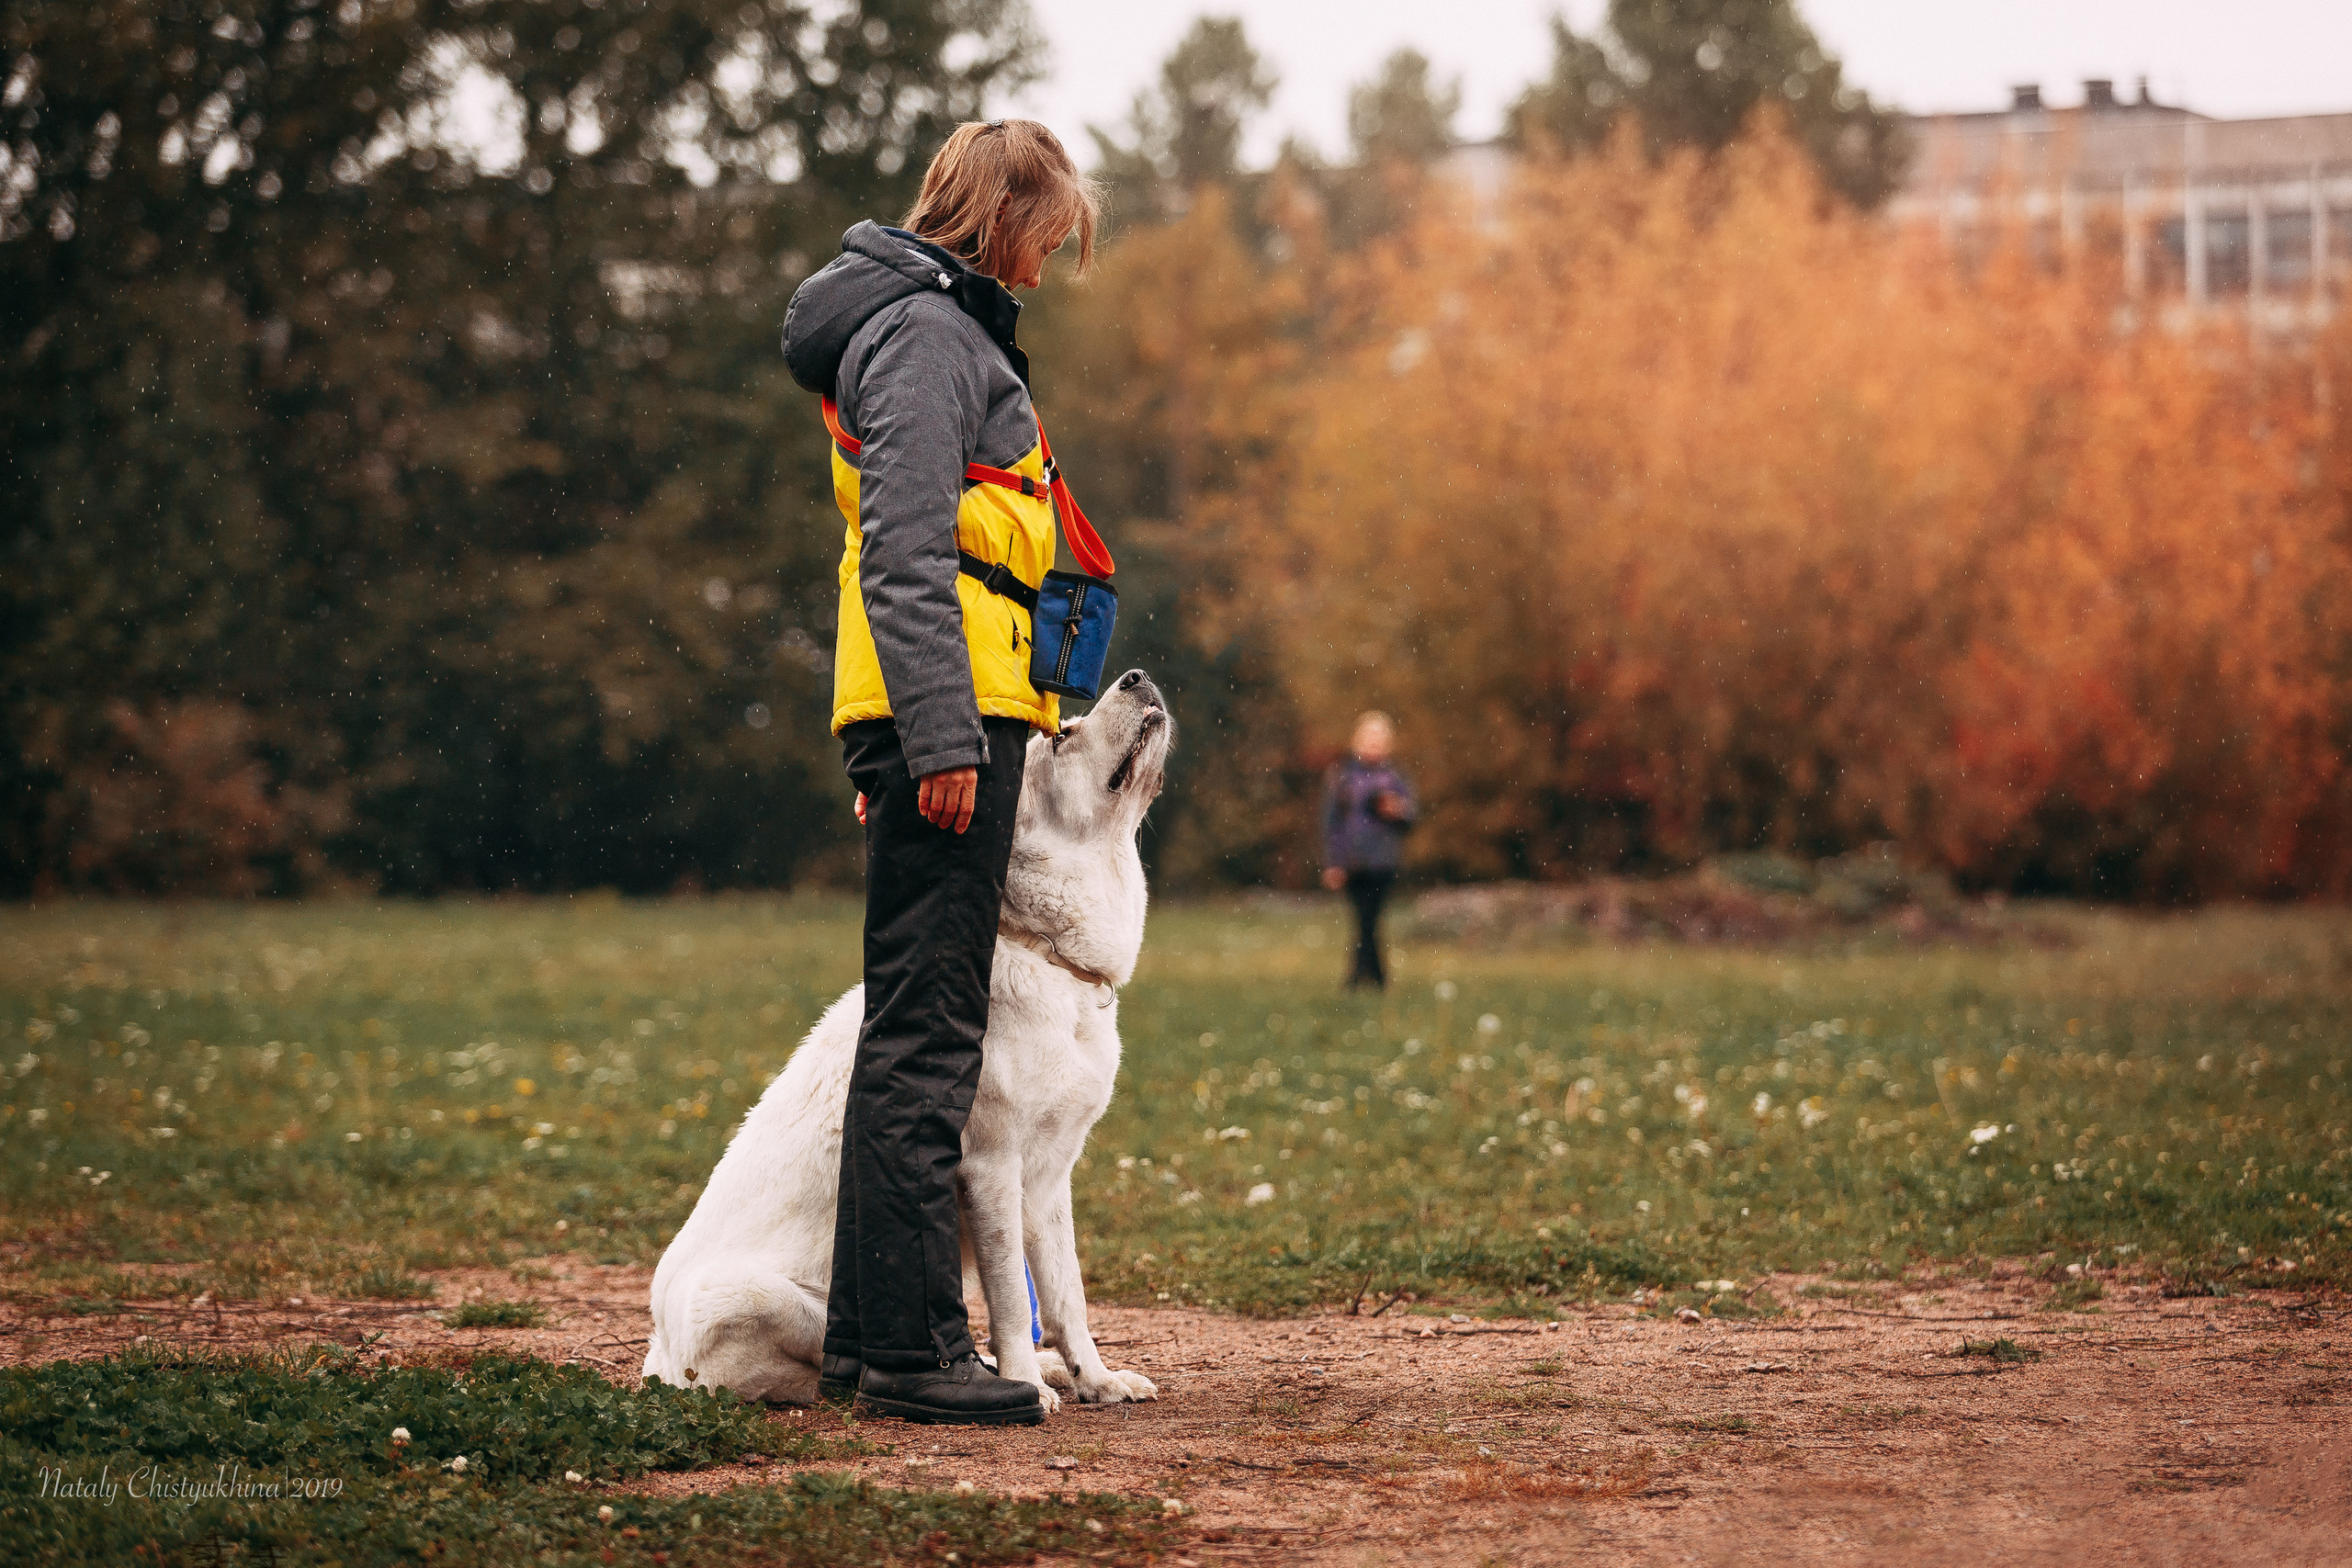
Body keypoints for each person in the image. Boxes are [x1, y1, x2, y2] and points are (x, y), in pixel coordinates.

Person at [778, 120, 1099, 1426]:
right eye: (1049, 236)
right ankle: (915, 1352)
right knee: (929, 1036)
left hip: (948, 706)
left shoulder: (937, 327)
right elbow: (907, 544)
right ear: (1003, 215)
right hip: (948, 711)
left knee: (915, 1023)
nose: (1048, 264)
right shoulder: (923, 334)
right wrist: (936, 734)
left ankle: (869, 1341)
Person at [1321, 712, 1418, 988]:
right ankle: (1374, 978)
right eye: (1369, 738)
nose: (1374, 745)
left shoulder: (1396, 777)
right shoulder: (1342, 776)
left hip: (1383, 861)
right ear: (1357, 740)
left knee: (1369, 919)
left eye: (1379, 739)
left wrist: (1398, 811)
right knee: (1364, 919)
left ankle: (1359, 978)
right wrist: (1333, 862)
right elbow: (1331, 823)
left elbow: (1411, 816)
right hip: (1352, 860)